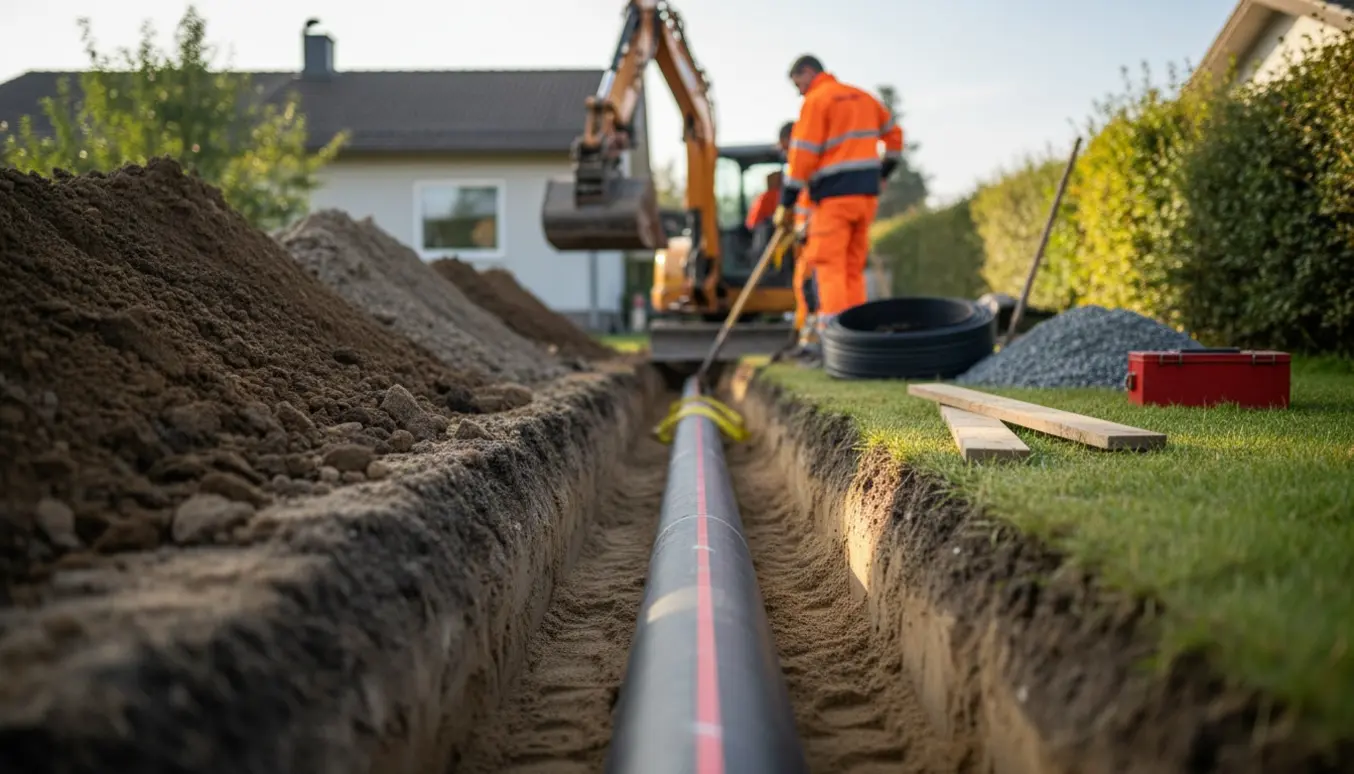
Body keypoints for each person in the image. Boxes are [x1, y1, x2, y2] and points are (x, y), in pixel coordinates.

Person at [775, 54, 903, 357]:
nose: (799, 91)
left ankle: (834, 344)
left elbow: (802, 156)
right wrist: (882, 174)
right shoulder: (864, 97)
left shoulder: (817, 101)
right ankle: (856, 337)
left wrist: (787, 201)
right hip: (866, 199)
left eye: (798, 83)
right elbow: (895, 139)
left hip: (833, 200)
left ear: (808, 73)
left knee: (828, 266)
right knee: (852, 269)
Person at [776, 121, 818, 346]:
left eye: (786, 147)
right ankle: (804, 339)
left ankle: (811, 340)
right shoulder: (799, 172)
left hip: (816, 239)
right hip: (805, 241)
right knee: (803, 287)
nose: (785, 153)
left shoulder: (810, 168)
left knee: (813, 291)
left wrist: (806, 227)